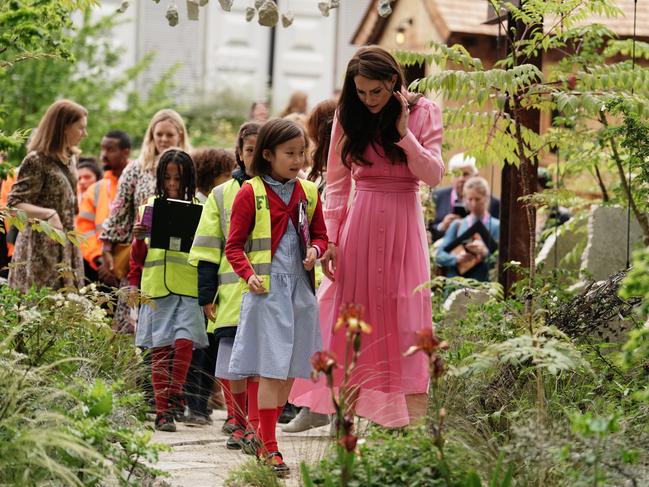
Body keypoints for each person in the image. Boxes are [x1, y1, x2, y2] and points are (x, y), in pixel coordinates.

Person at [289, 46, 445, 428]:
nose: (369, 100)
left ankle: (411, 428)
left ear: (393, 82)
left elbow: (434, 174)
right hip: (359, 224)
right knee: (352, 318)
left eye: (375, 92)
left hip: (405, 222)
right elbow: (338, 186)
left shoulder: (425, 112)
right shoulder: (349, 115)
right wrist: (332, 241)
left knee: (408, 317)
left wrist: (405, 136)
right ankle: (344, 426)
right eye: (361, 92)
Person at [224, 118, 327, 475]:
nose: (298, 160)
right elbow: (233, 245)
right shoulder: (249, 193)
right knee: (270, 368)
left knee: (288, 372)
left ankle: (259, 433)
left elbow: (321, 235)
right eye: (290, 153)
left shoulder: (309, 192)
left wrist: (316, 249)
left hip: (300, 290)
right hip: (267, 291)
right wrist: (248, 274)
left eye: (302, 153)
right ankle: (269, 447)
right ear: (267, 154)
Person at [189, 122, 262, 446]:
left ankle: (252, 422)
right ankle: (235, 419)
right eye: (250, 150)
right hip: (231, 295)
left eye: (262, 151)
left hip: (268, 294)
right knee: (230, 361)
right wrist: (206, 295)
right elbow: (206, 249)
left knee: (260, 364)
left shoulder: (284, 190)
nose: (256, 157)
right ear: (239, 153)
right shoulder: (220, 196)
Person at [128, 149, 209, 432]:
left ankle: (175, 392)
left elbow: (209, 248)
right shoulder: (149, 206)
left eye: (179, 178)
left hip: (188, 285)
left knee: (185, 342)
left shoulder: (202, 205)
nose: (173, 184)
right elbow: (137, 257)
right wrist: (138, 239)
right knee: (160, 347)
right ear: (160, 178)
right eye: (168, 178)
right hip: (156, 285)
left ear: (189, 179)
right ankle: (163, 411)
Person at [100, 109, 190, 332]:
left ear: (180, 135)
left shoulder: (190, 165)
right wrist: (107, 245)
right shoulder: (136, 169)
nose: (163, 139)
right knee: (131, 323)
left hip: (179, 258)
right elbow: (120, 209)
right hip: (142, 254)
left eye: (169, 134)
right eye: (158, 134)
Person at [281, 98, 337, 433]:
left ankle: (328, 407)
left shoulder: (343, 167)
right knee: (321, 330)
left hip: (333, 255)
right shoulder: (322, 170)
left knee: (328, 329)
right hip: (319, 257)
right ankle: (318, 405)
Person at [7, 99, 88, 292]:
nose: (85, 134)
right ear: (64, 127)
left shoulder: (70, 158)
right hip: (40, 252)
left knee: (68, 314)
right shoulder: (36, 160)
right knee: (41, 310)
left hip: (68, 245)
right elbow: (14, 205)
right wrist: (48, 214)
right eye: (80, 128)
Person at [76, 130, 131, 285]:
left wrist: (120, 264)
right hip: (100, 271)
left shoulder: (139, 184)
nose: (103, 155)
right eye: (102, 149)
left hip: (132, 271)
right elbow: (84, 230)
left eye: (110, 150)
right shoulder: (95, 189)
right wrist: (101, 260)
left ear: (125, 152)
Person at [435, 176, 500, 282]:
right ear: (464, 199)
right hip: (456, 285)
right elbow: (439, 255)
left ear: (487, 198)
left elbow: (502, 261)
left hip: (482, 286)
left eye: (477, 199)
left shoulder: (496, 226)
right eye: (470, 199)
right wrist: (456, 259)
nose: (473, 203)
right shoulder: (457, 225)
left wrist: (485, 253)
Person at [430, 153, 500, 241]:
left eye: (465, 174)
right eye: (457, 174)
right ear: (451, 177)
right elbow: (427, 230)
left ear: (476, 176)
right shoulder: (436, 196)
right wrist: (442, 226)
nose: (461, 179)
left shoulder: (493, 203)